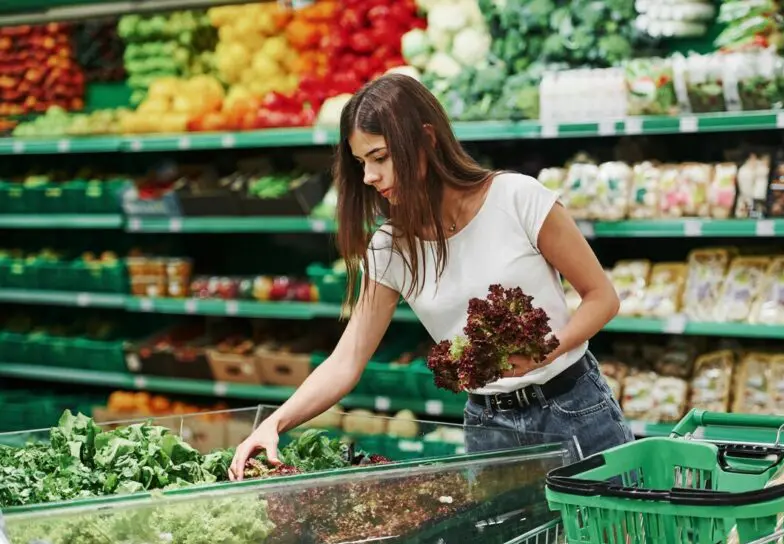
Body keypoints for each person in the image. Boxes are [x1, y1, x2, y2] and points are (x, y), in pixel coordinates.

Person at [228, 73, 633, 480]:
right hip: (488, 429)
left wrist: (543, 351)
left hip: (574, 408)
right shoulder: (391, 248)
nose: (368, 176)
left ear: (426, 139)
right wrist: (274, 424)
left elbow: (602, 297)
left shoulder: (517, 198)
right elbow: (347, 359)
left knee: (616, 538)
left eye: (380, 157)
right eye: (361, 163)